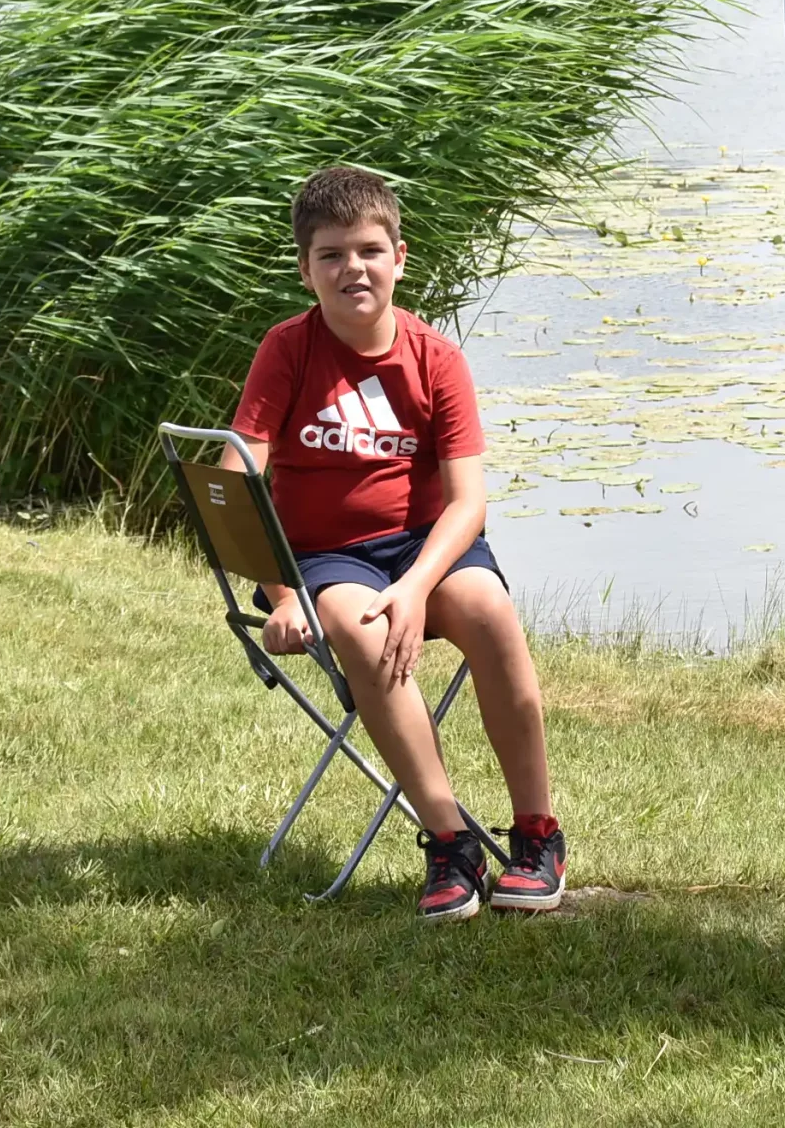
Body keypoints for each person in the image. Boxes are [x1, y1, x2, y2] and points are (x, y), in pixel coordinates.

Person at [228, 164, 565, 920]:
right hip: (326, 558)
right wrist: (283, 595)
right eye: (332, 254)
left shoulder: (436, 357)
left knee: (487, 606)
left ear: (400, 257)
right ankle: (451, 842)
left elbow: (469, 501)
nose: (354, 268)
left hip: (427, 545)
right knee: (356, 621)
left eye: (370, 250)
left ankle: (539, 835)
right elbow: (237, 482)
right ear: (305, 268)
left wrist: (415, 587)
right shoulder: (287, 350)